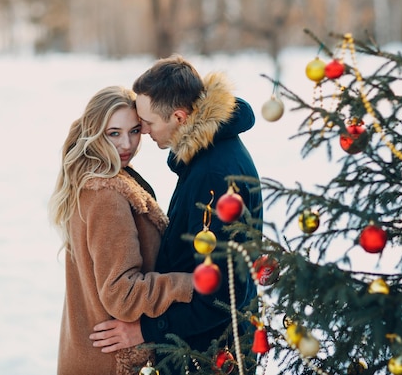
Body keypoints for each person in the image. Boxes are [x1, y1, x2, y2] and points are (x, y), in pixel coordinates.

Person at [90, 55, 263, 367]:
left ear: (180, 118)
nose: (142, 131)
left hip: (210, 355)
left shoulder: (214, 176)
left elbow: (222, 296)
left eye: (148, 123)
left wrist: (145, 329)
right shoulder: (206, 155)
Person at [48, 86, 194, 375]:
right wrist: (189, 284)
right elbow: (122, 294)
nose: (127, 144)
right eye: (113, 133)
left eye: (135, 130)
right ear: (94, 132)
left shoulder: (92, 179)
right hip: (113, 362)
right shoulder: (106, 195)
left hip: (88, 353)